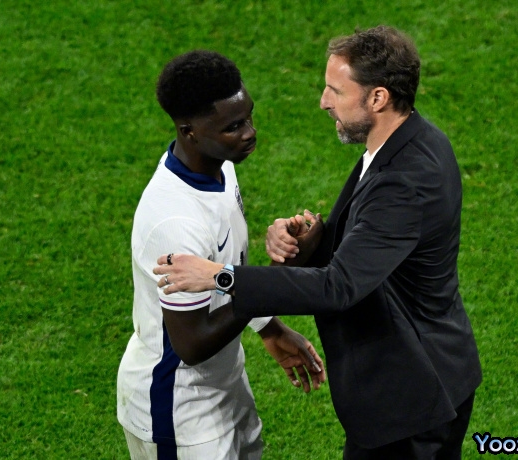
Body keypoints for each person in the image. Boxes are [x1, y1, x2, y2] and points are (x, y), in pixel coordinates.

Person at [154, 26, 482, 459]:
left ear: (377, 98)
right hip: (416, 382)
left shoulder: (405, 181)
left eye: (335, 91)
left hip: (413, 400)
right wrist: (315, 241)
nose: (323, 101)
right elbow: (379, 250)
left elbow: (337, 288)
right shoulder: (408, 142)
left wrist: (221, 276)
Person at [117, 50, 325, 460]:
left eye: (248, 117)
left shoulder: (219, 167)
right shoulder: (175, 222)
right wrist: (272, 281)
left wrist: (268, 327)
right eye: (233, 127)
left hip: (224, 383)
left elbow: (227, 271)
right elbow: (191, 344)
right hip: (180, 409)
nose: (250, 133)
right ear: (189, 131)